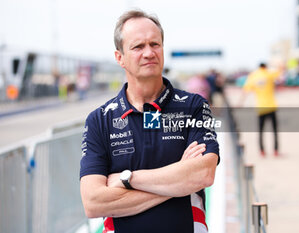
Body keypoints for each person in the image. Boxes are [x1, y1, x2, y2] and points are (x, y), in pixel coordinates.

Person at [79, 10, 220, 233]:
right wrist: (178, 179)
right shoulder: (100, 120)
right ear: (120, 58)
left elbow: (202, 174)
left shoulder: (193, 106)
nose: (149, 53)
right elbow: (94, 202)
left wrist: (128, 178)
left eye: (155, 44)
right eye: (138, 47)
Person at [238, 63, 281, 157]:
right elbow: (280, 74)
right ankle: (276, 151)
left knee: (261, 131)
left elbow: (245, 90)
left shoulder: (253, 76)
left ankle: (262, 151)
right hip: (271, 106)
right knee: (274, 131)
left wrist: (240, 103)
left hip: (260, 107)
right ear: (265, 67)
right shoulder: (269, 73)